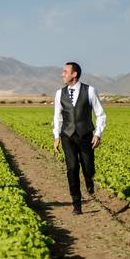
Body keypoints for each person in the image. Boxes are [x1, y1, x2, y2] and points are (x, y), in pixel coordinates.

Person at [52, 61, 106, 215]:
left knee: (88, 167)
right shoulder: (59, 93)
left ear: (74, 74)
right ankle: (76, 204)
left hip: (85, 135)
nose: (62, 74)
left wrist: (98, 133)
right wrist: (56, 136)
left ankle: (89, 179)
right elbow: (57, 117)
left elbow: (100, 114)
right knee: (72, 168)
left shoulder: (89, 91)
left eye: (65, 72)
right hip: (67, 136)